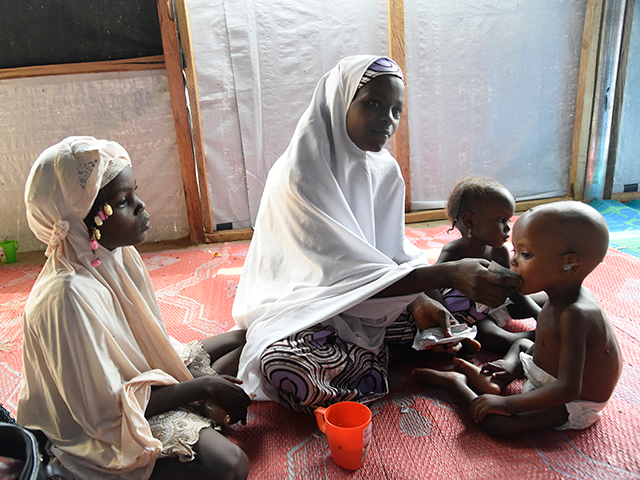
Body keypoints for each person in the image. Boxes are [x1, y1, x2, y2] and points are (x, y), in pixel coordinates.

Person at [232, 55, 520, 415]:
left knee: (452, 308)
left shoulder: (384, 168)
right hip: (309, 304)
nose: (388, 119)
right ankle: (389, 353)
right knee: (282, 365)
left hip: (368, 297)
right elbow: (340, 276)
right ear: (340, 102)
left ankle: (384, 353)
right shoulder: (302, 173)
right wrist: (447, 274)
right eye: (373, 103)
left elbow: (388, 253)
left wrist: (420, 303)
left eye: (397, 109)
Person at [17, 137, 251, 480]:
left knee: (248, 339)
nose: (142, 206)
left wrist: (197, 382)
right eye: (124, 202)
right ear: (85, 221)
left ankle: (199, 415)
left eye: (135, 193)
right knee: (230, 466)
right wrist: (203, 387)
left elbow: (147, 350)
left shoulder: (116, 255)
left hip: (136, 383)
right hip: (100, 427)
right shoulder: (65, 297)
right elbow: (101, 413)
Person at [413, 201, 622, 437]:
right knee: (523, 344)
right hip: (547, 373)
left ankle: (456, 383)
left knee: (498, 424)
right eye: (515, 251)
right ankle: (498, 378)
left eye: (526, 254)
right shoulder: (561, 294)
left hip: (572, 400)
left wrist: (506, 404)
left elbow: (568, 389)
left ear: (569, 264)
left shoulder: (576, 314)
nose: (513, 262)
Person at [436, 175, 542, 353]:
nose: (508, 227)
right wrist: (443, 317)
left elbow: (512, 289)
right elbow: (431, 285)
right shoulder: (453, 252)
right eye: (501, 220)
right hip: (473, 317)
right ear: (470, 221)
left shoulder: (498, 251)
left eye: (509, 220)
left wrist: (539, 315)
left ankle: (556, 326)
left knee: (553, 300)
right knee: (497, 340)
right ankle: (544, 338)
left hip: (500, 304)